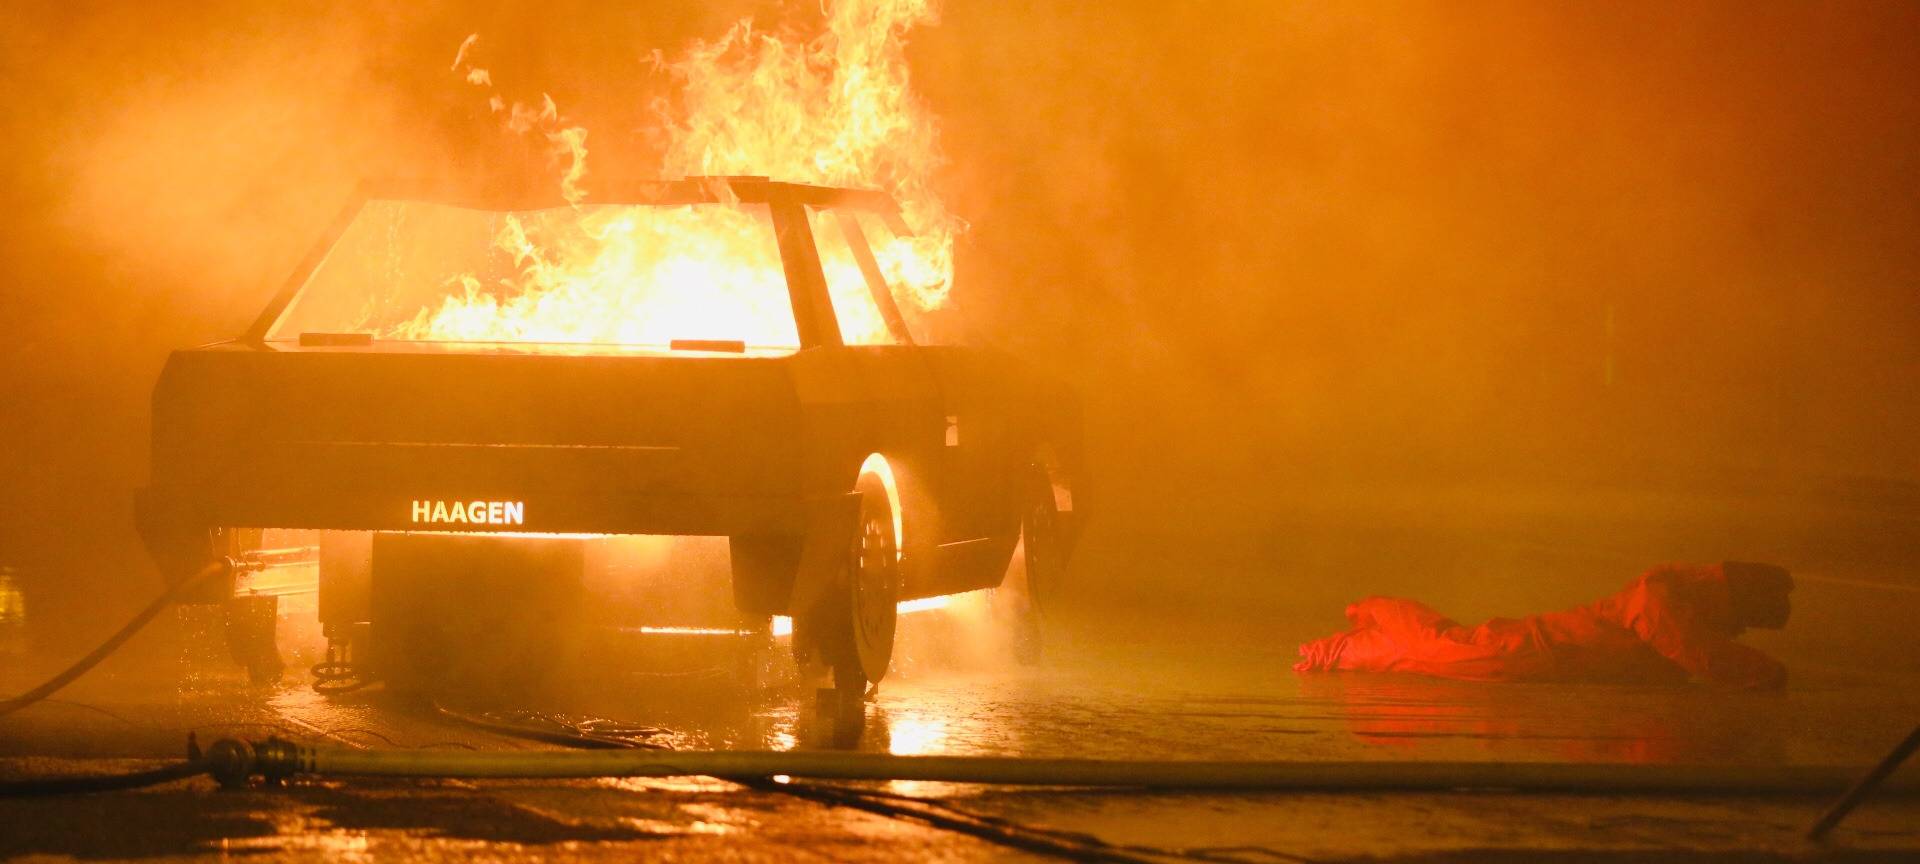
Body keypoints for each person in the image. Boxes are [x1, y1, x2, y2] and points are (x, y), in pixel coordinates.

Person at [1293, 561, 1793, 689]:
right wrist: (1759, 673)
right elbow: (1687, 646)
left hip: (1541, 656)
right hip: (1535, 649)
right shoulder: (1658, 599)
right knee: (1440, 650)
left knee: (1431, 661)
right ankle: (1376, 608)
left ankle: (1337, 651)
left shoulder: (1682, 602)